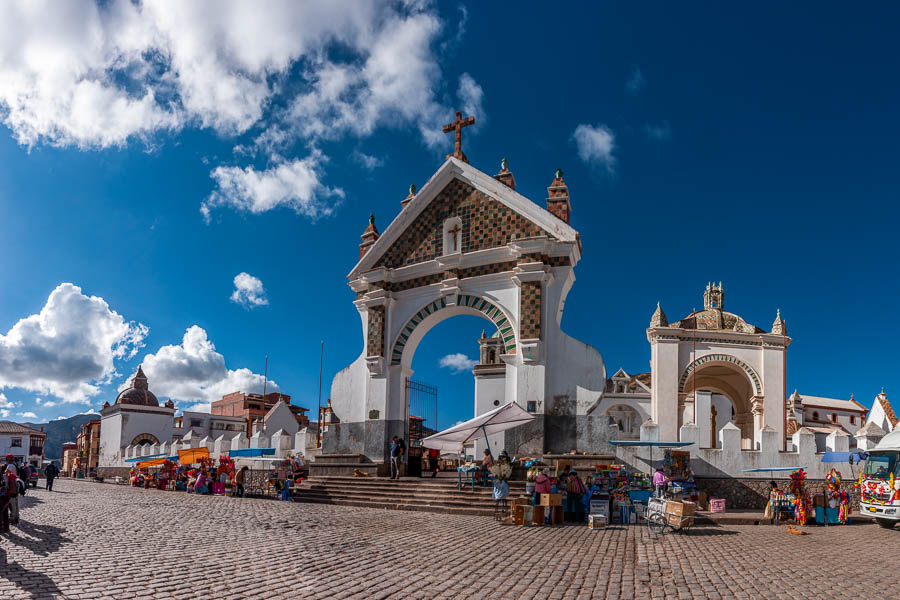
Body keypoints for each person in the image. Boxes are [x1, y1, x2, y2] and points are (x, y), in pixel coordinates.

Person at [5, 456, 19, 525]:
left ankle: (13, 519)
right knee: (15, 503)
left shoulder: (10, 466)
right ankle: (16, 517)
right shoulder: (15, 465)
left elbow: (6, 474)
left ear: (8, 459)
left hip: (11, 486)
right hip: (15, 485)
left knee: (12, 503)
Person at [0, 464, 9, 534]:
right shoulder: (4, 476)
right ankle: (6, 528)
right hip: (6, 496)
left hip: (1, 496)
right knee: (5, 512)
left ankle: (1, 528)